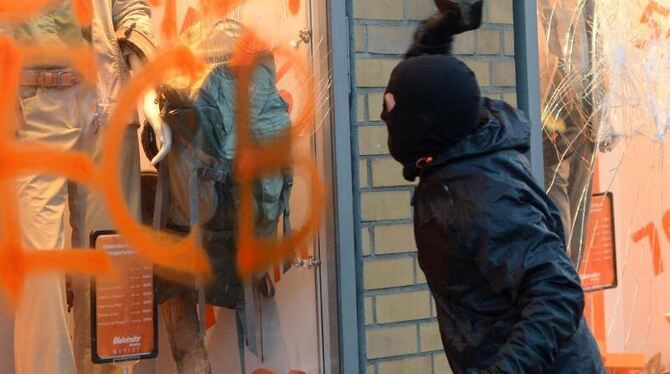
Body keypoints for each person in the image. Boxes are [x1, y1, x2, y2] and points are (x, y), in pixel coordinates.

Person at [379, 3, 605, 372]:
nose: (384, 116)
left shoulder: (483, 197)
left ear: (422, 123)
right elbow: (433, 94)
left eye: (391, 109)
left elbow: (557, 291)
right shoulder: (466, 141)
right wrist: (439, 32)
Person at [6, 1, 171, 373]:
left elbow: (128, 7)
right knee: (39, 273)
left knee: (112, 261)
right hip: (29, 106)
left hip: (106, 102)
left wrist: (146, 91)